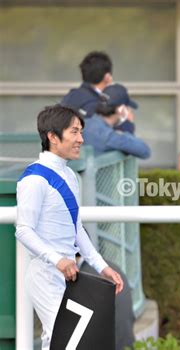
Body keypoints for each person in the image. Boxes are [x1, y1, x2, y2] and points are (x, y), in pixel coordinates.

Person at [15, 105, 124, 349]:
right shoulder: (34, 179)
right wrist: (57, 260)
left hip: (69, 274)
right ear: (52, 136)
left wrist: (101, 266)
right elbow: (23, 229)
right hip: (45, 274)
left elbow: (76, 229)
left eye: (81, 132)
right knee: (63, 340)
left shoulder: (70, 176)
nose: (81, 139)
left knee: (63, 341)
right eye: (74, 132)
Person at [61, 51, 135, 133]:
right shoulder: (98, 105)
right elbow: (117, 136)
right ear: (107, 77)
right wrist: (127, 120)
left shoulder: (70, 96)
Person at [82, 83, 151, 159]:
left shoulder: (84, 123)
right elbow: (145, 152)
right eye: (127, 108)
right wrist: (122, 134)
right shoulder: (108, 136)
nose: (128, 111)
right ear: (120, 109)